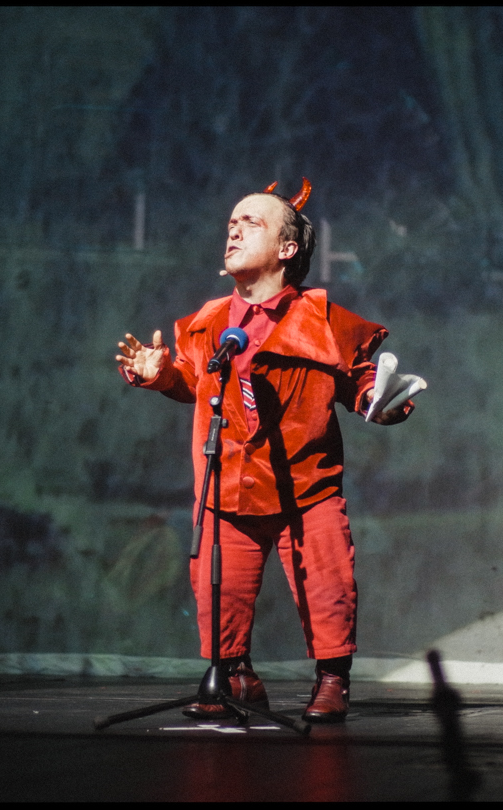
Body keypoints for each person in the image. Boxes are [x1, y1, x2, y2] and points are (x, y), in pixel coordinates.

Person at [115, 178, 414, 722]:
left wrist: (384, 401)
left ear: (287, 248)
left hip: (306, 487)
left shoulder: (324, 321)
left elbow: (366, 384)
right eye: (231, 221)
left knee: (326, 583)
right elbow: (189, 378)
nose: (233, 228)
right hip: (229, 483)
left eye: (251, 222)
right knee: (219, 589)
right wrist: (158, 375)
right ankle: (235, 676)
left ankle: (331, 681)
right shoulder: (206, 323)